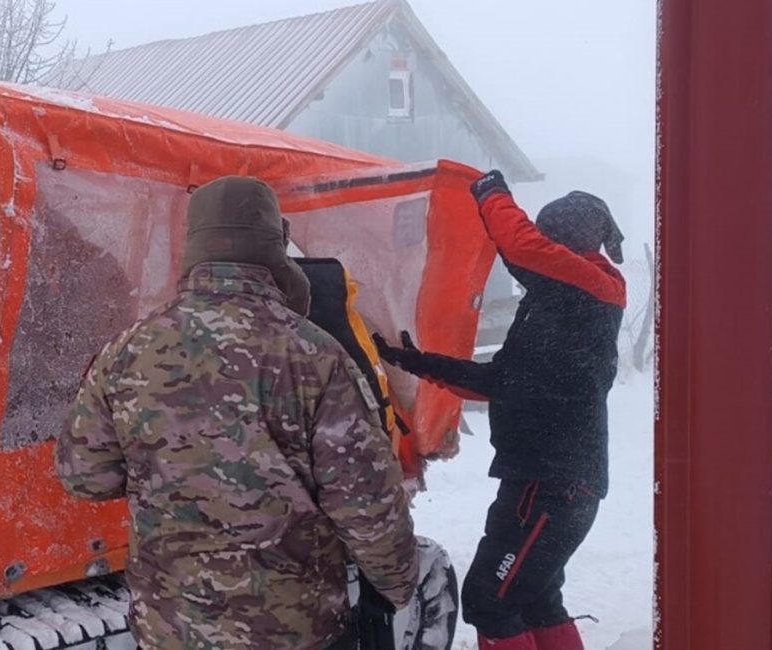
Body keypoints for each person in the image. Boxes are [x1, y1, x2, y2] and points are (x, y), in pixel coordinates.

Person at [56, 176, 419, 650]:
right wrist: (397, 586)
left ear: (194, 249)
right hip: (291, 631)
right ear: (274, 249)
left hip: (171, 629)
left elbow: (83, 476)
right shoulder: (314, 354)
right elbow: (367, 505)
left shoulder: (127, 350)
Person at [373, 170, 626, 650]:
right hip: (550, 482)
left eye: (551, 237)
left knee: (489, 600)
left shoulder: (590, 285)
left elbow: (521, 245)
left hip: (551, 485)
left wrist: (491, 191)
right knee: (534, 598)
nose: (543, 247)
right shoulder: (560, 308)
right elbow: (502, 382)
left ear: (567, 242)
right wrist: (417, 363)